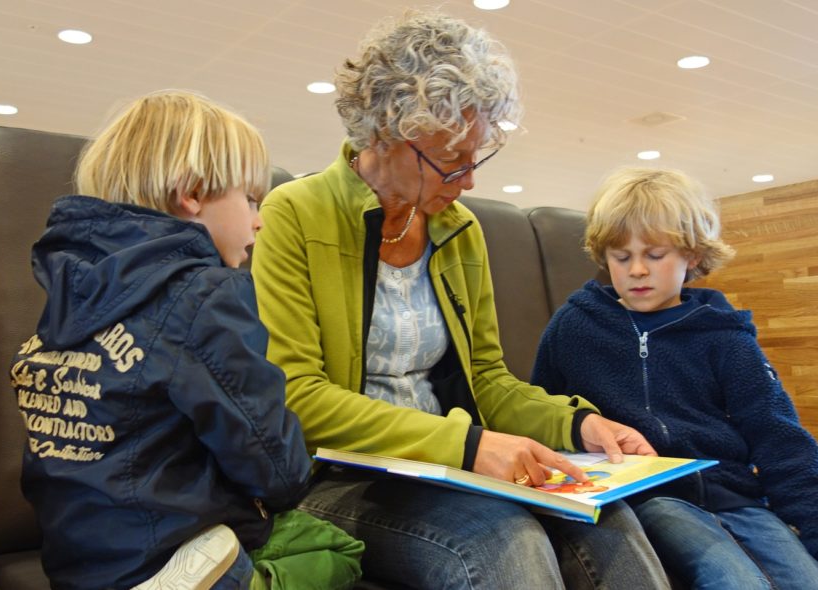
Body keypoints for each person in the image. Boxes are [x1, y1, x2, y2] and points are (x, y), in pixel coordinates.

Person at [251, 11, 669, 589]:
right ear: (383, 135)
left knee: (613, 527)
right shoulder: (294, 214)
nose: (468, 180)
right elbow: (298, 397)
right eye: (451, 161)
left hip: (454, 465)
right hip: (343, 478)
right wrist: (467, 445)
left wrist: (578, 425)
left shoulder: (459, 228)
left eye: (477, 157)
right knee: (506, 543)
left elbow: (488, 380)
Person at [11, 90, 363, 590]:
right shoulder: (204, 293)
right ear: (192, 194)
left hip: (77, 555)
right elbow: (263, 451)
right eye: (251, 199)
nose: (259, 220)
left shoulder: (70, 285)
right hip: (166, 545)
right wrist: (292, 481)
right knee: (335, 549)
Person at [532, 166, 818, 588]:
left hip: (738, 500)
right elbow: (539, 412)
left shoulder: (725, 336)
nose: (636, 270)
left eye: (654, 255)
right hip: (652, 498)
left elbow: (781, 440)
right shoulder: (575, 326)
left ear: (691, 255)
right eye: (621, 257)